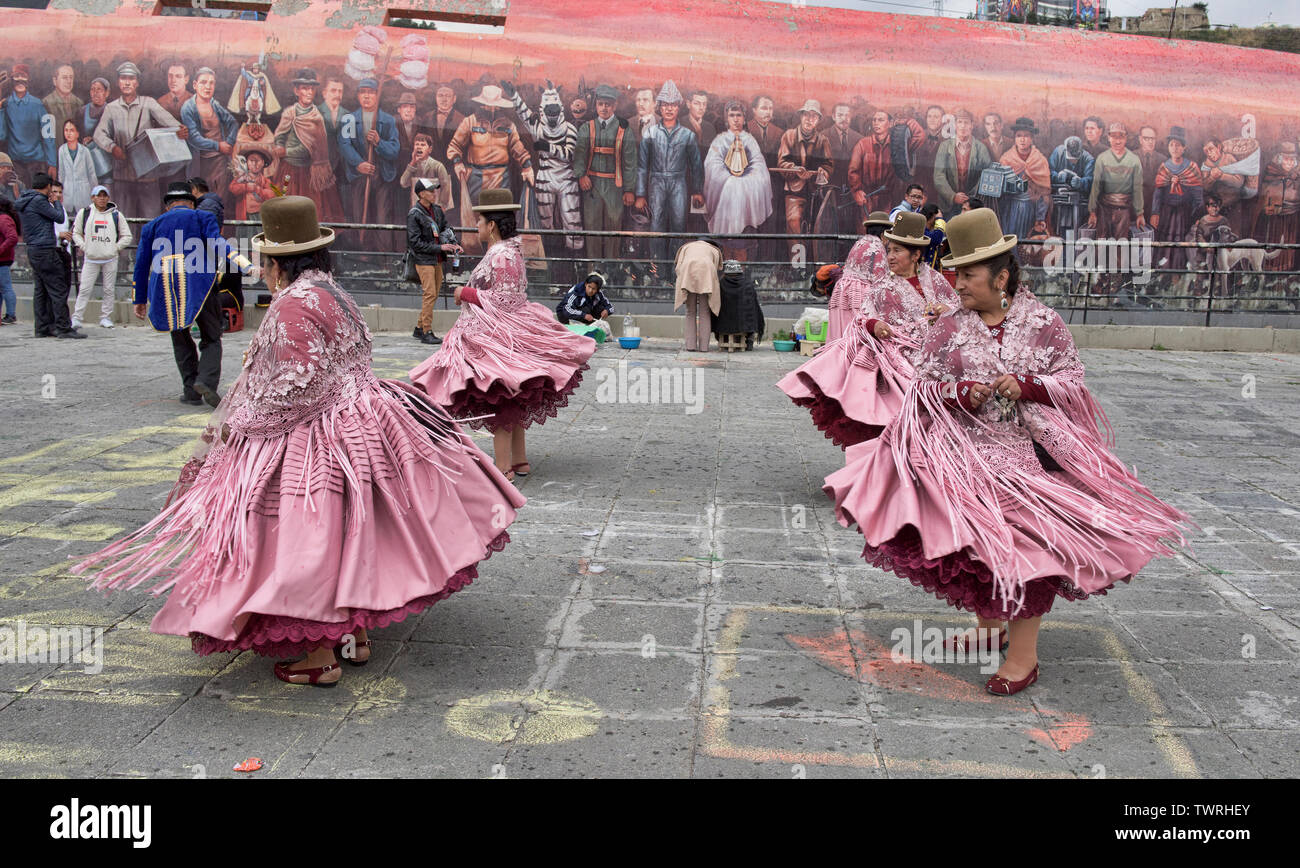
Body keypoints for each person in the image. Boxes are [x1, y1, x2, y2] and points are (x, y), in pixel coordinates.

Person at [73, 194, 524, 688]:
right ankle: (354, 634)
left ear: (274, 261)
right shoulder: (332, 291)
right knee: (355, 532)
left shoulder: (291, 305)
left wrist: (237, 425)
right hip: (365, 420)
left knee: (304, 540)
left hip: (315, 431)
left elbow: (294, 384)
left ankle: (317, 656)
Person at [823, 207, 1188, 695]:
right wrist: (962, 393)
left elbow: (1072, 381)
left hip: (1034, 460)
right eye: (954, 273)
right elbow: (923, 389)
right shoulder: (949, 327)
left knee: (1026, 549)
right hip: (968, 454)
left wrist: (1029, 386)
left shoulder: (1044, 323)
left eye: (968, 275)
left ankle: (1023, 657)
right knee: (977, 545)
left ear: (1001, 276)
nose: (957, 284)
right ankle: (990, 625)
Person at [408, 188, 596, 482]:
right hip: (503, 333)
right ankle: (518, 461)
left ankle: (503, 466)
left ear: (491, 225)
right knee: (511, 396)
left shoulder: (501, 254)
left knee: (501, 396)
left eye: (480, 221)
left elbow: (505, 300)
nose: (477, 227)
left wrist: (465, 292)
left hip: (498, 337)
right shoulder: (509, 251)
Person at [778, 211, 956, 449]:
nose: (889, 256)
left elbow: (958, 307)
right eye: (889, 250)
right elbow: (863, 317)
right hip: (900, 359)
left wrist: (945, 310)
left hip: (936, 356)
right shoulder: (883, 286)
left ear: (916, 255)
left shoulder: (935, 280)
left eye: (897, 251)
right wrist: (876, 325)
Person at [133, 181, 255, 406]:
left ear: (168, 206)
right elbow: (217, 243)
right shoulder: (202, 217)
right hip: (200, 284)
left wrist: (139, 299)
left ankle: (190, 391)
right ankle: (206, 381)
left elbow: (141, 264)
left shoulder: (151, 226)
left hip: (166, 287)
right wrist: (244, 263)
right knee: (211, 336)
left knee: (180, 337)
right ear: (191, 202)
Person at [93, 61, 188, 219]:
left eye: (131, 78)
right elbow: (99, 134)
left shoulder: (148, 103)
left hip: (148, 175)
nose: (127, 82)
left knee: (150, 218)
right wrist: (112, 147)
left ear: (137, 82)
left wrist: (180, 129)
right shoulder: (111, 108)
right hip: (122, 175)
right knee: (124, 219)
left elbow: (168, 121)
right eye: (123, 78)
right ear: (118, 82)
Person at [636, 81, 705, 265]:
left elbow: (696, 166)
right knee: (656, 223)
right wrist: (641, 194)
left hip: (678, 182)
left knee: (679, 224)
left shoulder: (687, 135)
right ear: (659, 107)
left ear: (678, 107)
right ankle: (657, 268)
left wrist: (697, 190)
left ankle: (677, 267)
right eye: (665, 105)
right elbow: (642, 166)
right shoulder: (650, 133)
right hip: (656, 182)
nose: (669, 109)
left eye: (673, 105)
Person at [574, 84, 637, 268]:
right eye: (601, 104)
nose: (604, 108)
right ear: (596, 106)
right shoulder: (587, 128)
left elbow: (630, 163)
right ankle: (592, 272)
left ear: (614, 106)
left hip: (615, 187)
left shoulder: (624, 130)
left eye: (608, 104)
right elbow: (579, 155)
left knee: (613, 229)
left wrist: (629, 190)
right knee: (592, 228)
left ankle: (611, 271)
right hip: (592, 185)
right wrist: (581, 176)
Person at [271, 69, 345, 223]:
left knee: (309, 212)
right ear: (296, 90)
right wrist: (278, 145)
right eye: (304, 88)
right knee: (284, 208)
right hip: (288, 171)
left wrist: (285, 151)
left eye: (312, 88)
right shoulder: (290, 113)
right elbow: (280, 135)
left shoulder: (316, 117)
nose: (309, 92)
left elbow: (308, 150)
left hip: (308, 175)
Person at [703, 102, 771, 261]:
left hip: (745, 201)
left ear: (744, 118)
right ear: (727, 118)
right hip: (725, 201)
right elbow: (712, 165)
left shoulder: (750, 140)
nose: (735, 119)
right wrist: (729, 180)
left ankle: (740, 275)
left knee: (742, 244)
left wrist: (747, 181)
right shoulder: (720, 140)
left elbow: (759, 164)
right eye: (732, 115)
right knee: (726, 244)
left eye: (738, 115)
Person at [17, 173, 83, 338]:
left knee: (41, 291)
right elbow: (59, 218)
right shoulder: (39, 200)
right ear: (46, 187)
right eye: (50, 189)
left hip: (33, 249)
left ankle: (42, 327)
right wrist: (56, 202)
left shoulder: (25, 200)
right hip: (45, 249)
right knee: (58, 289)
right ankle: (63, 328)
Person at [407, 177, 459, 345]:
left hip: (436, 259)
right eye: (430, 191)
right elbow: (415, 243)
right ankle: (426, 331)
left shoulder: (437, 210)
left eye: (434, 190)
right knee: (430, 294)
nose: (434, 193)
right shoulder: (414, 214)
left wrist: (453, 244)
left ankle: (418, 327)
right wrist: (440, 248)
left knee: (434, 293)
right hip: (424, 260)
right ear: (421, 194)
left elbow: (445, 228)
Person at [71, 184, 131, 330]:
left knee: (108, 289)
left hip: (110, 258)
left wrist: (114, 248)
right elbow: (76, 233)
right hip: (91, 258)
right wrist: (85, 246)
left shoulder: (116, 215)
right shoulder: (84, 213)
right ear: (93, 197)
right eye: (99, 195)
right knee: (84, 288)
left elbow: (127, 236)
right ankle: (77, 317)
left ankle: (105, 317)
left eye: (105, 196)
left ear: (108, 198)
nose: (102, 199)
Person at [181, 68, 238, 215]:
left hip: (220, 164)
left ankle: (217, 235)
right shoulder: (188, 108)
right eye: (203, 82)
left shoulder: (214, 104)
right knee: (200, 203)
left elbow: (233, 123)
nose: (208, 87)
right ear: (194, 84)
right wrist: (219, 145)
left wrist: (229, 144)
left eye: (212, 83)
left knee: (219, 203)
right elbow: (194, 138)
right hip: (200, 164)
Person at [1150, 126, 1204, 271]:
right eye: (1171, 144)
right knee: (1164, 241)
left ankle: (1178, 273)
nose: (1174, 148)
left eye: (1178, 145)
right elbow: (1158, 193)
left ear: (1184, 148)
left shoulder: (1192, 168)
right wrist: (1155, 213)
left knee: (1181, 242)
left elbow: (1198, 196)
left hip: (1184, 214)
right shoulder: (1164, 167)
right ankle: (1162, 272)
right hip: (1166, 213)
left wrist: (1196, 216)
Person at [0, 64, 55, 188]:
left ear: (28, 80)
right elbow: (2, 135)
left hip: (36, 161)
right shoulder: (6, 104)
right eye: (16, 76)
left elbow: (49, 135)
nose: (20, 80)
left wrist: (52, 163)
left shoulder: (38, 105)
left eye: (23, 76)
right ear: (12, 80)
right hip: (16, 162)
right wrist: (0, 110)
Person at [933, 109, 992, 219]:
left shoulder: (981, 148)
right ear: (955, 125)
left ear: (972, 125)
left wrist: (971, 197)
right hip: (948, 205)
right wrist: (952, 196)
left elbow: (987, 175)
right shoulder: (945, 146)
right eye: (960, 122)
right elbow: (938, 176)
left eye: (966, 122)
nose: (963, 126)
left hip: (972, 206)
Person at [674, 236, 722, 352]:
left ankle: (690, 346)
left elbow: (678, 266)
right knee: (705, 312)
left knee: (690, 312)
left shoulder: (686, 247)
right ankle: (704, 347)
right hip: (706, 273)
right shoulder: (714, 250)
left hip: (688, 273)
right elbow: (717, 268)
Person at [713, 259, 765, 350]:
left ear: (726, 272)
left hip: (723, 324)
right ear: (740, 272)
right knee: (754, 310)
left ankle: (723, 339)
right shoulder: (747, 284)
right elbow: (753, 305)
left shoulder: (721, 284)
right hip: (745, 324)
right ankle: (749, 340)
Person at [399, 133, 453, 210]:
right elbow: (403, 183)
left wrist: (442, 205)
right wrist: (412, 162)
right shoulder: (413, 166)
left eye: (423, 145)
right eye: (417, 144)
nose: (419, 147)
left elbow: (445, 186)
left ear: (430, 149)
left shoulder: (438, 166)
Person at [556, 272, 614, 339]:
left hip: (584, 314)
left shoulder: (599, 294)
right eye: (589, 287)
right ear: (586, 284)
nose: (590, 291)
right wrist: (584, 315)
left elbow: (611, 307)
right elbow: (567, 309)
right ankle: (578, 330)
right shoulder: (576, 292)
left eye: (593, 289)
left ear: (597, 289)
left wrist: (607, 311)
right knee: (584, 310)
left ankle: (587, 329)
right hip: (565, 316)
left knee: (600, 308)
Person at [57, 120, 97, 214]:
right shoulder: (62, 150)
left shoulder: (85, 151)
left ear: (77, 133)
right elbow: (61, 174)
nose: (68, 133)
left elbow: (92, 174)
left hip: (84, 194)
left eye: (72, 130)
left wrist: (95, 194)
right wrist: (60, 193)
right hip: (68, 193)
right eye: (66, 130)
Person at [0, 196, 18, 324]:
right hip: (3, 258)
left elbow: (12, 237)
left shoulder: (3, 219)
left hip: (3, 259)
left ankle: (11, 315)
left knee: (6, 287)